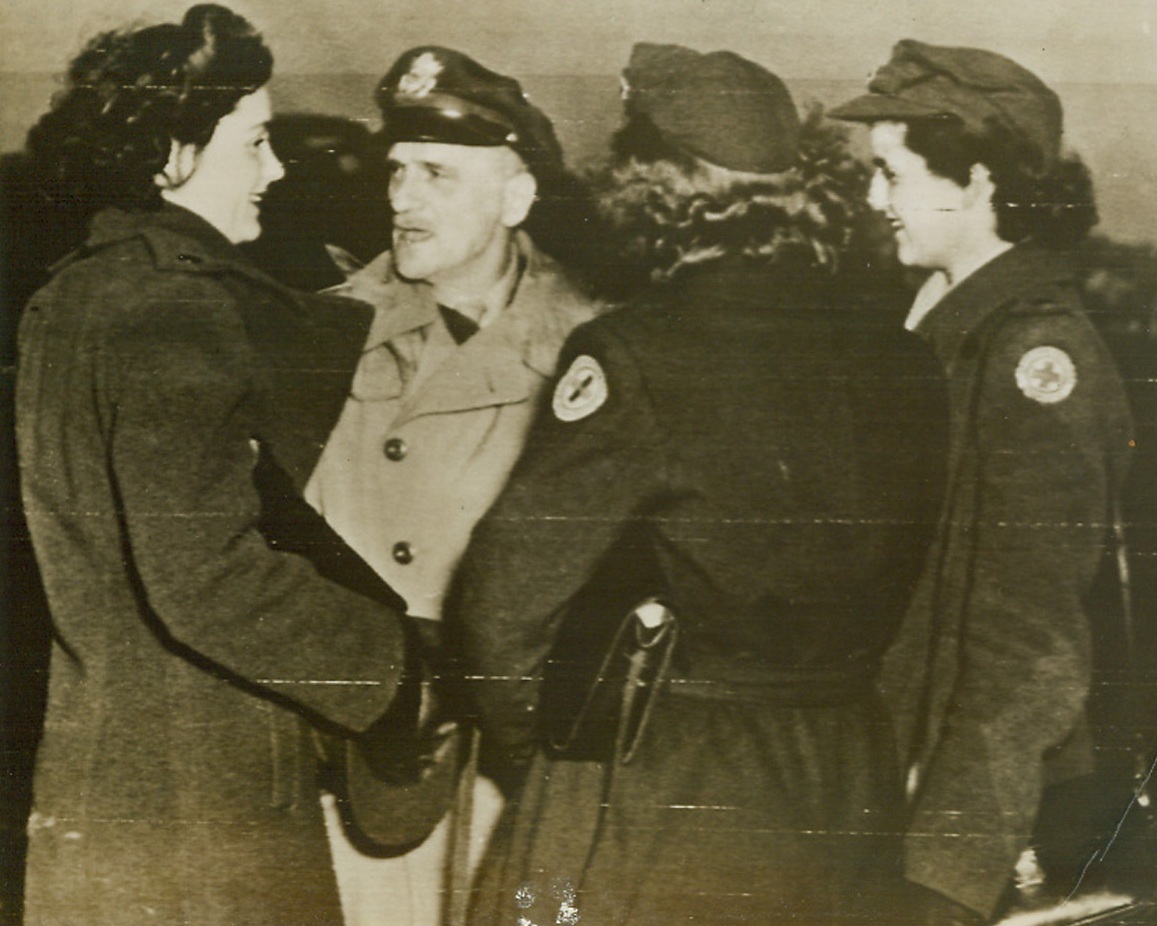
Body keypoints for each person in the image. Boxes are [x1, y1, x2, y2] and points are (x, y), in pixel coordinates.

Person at [448, 43, 948, 926]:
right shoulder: (908, 360)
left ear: (654, 186)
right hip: (845, 787)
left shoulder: (637, 353)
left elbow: (500, 611)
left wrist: (555, 752)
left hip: (663, 784)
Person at [15, 7, 426, 924]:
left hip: (102, 776)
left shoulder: (70, 293)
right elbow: (204, 574)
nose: (275, 172)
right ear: (171, 152)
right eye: (257, 142)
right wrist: (392, 668)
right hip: (204, 802)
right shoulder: (178, 310)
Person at [829, 40, 1136, 923]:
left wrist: (946, 872)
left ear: (975, 181)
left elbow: (1029, 648)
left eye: (889, 173)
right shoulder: (943, 324)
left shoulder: (1035, 357)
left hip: (974, 831)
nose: (870, 198)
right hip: (898, 781)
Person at [304, 46, 600, 926]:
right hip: (353, 760)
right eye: (397, 171)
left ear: (517, 196)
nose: (401, 198)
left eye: (436, 173)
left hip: (511, 772)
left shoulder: (599, 353)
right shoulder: (322, 327)